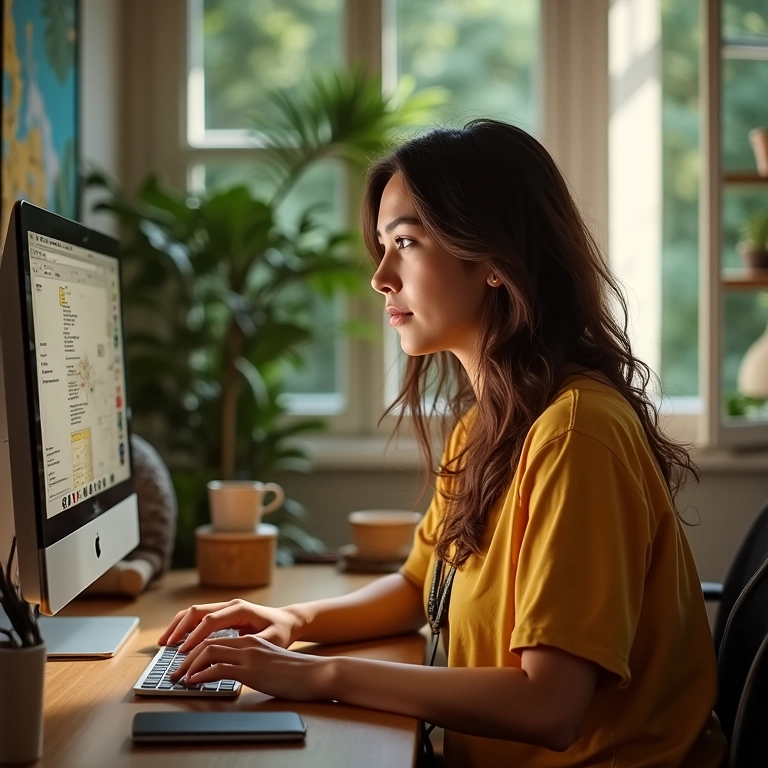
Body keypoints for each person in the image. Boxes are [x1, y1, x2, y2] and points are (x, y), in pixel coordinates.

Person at [160, 119, 726, 768]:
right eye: (381, 245)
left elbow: (549, 706)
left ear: (492, 258)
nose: (379, 277)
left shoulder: (577, 434)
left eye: (405, 242)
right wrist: (291, 624)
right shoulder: (489, 421)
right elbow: (416, 587)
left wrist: (318, 676)